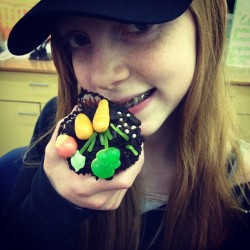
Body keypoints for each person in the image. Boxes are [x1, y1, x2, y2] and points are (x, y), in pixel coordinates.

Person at [0, 0, 250, 249]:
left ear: (209, 23)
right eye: (79, 39)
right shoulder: (59, 125)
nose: (101, 78)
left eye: (139, 26)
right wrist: (50, 209)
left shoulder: (242, 198)